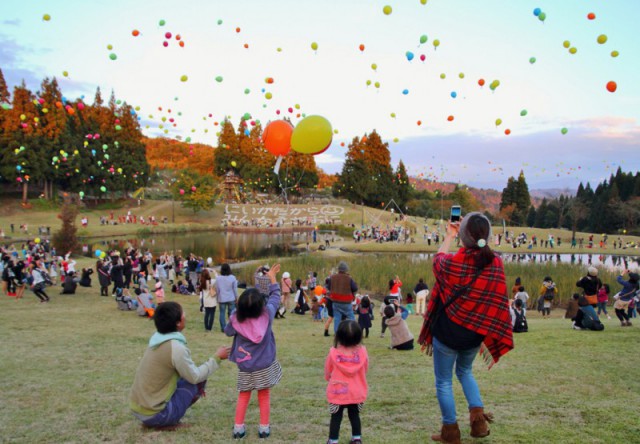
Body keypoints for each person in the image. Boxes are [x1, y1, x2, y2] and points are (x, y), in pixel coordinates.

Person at [418, 213, 513, 443]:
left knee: (443, 381)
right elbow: (496, 300)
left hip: (448, 333)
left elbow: (437, 259)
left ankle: (450, 432)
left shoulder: (453, 263)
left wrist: (449, 235)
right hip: (475, 334)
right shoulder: (496, 263)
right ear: (488, 236)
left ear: (463, 236)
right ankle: (478, 424)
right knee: (465, 372)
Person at [130, 301, 230, 429]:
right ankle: (168, 420)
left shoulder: (157, 339)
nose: (185, 315)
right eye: (183, 313)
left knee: (186, 376)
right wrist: (217, 358)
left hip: (138, 409)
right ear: (178, 322)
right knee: (198, 381)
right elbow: (195, 377)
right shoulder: (175, 347)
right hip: (155, 415)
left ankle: (160, 417)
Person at [225, 264, 283, 440]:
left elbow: (228, 331)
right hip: (264, 365)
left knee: (244, 395)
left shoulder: (236, 319)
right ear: (261, 306)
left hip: (245, 365)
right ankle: (264, 429)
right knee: (263, 395)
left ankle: (238, 428)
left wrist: (236, 312)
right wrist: (272, 278)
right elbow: (275, 297)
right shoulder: (268, 314)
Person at [325, 320, 368, 444]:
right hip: (357, 392)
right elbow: (365, 369)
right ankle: (357, 438)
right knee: (354, 415)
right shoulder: (362, 352)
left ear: (338, 336)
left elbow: (328, 370)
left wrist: (328, 378)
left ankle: (333, 440)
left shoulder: (333, 352)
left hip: (337, 391)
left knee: (336, 417)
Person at [327, 262, 358, 334]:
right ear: (346, 270)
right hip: (346, 302)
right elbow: (355, 288)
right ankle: (354, 332)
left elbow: (328, 288)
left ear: (338, 270)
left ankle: (337, 335)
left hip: (335, 301)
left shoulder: (332, 277)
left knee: (337, 319)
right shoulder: (349, 278)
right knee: (351, 318)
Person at [216, 263, 238, 332]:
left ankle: (223, 328)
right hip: (231, 298)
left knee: (222, 313)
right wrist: (236, 297)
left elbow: (217, 289)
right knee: (232, 313)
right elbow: (235, 289)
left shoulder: (218, 278)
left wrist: (217, 298)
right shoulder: (233, 277)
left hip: (222, 298)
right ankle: (231, 327)